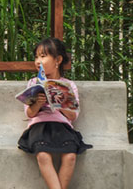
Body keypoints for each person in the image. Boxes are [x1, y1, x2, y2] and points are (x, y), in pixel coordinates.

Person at [18, 37, 92, 189]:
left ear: (58, 60)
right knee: (43, 155)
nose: (38, 61)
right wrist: (38, 103)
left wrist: (58, 101)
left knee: (70, 156)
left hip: (62, 127)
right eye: (36, 57)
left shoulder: (69, 85)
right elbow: (30, 114)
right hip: (39, 127)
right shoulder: (33, 82)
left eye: (43, 56)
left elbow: (73, 116)